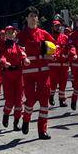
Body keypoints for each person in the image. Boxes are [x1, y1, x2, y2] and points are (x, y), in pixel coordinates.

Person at [17, 8, 54, 138]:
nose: (33, 18)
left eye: (35, 16)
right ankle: (26, 119)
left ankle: (42, 130)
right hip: (29, 74)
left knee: (44, 102)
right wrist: (23, 57)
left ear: (37, 19)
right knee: (31, 100)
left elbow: (55, 47)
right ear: (26, 18)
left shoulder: (43, 34)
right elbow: (16, 50)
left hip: (44, 73)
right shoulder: (21, 35)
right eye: (31, 16)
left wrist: (52, 55)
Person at [0, 25, 27, 129]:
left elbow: (23, 54)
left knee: (19, 101)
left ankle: (16, 122)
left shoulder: (18, 46)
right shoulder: (2, 46)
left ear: (15, 34)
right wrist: (4, 62)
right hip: (7, 74)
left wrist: (25, 59)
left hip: (18, 74)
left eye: (12, 32)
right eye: (8, 33)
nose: (11, 34)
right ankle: (6, 115)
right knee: (9, 100)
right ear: (5, 35)